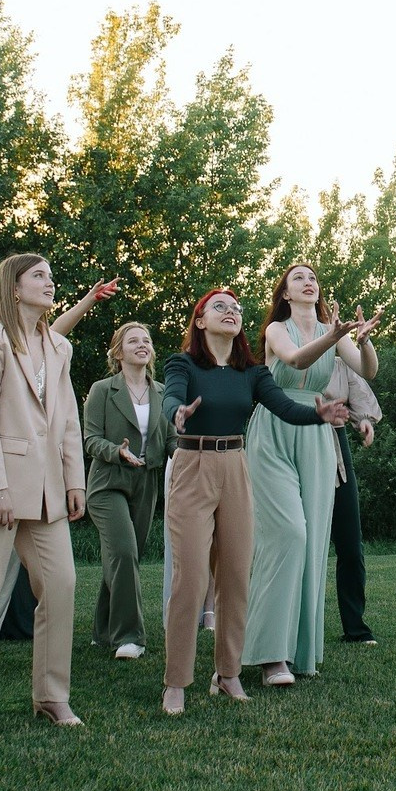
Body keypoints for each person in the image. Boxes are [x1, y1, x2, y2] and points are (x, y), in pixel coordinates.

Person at [159, 288, 348, 716]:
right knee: (191, 581)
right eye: (219, 307)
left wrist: (318, 415)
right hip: (193, 467)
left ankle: (227, 675)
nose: (231, 312)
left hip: (237, 468)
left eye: (236, 308)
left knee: (236, 576)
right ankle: (176, 683)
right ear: (201, 320)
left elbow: (284, 406)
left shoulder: (252, 372)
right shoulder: (183, 364)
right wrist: (176, 412)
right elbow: (171, 396)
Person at [0, 277, 113, 679]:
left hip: (26, 459)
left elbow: (54, 334)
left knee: (11, 559)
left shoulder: (32, 343)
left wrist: (85, 301)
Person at [0, 254, 89, 738]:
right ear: (13, 287)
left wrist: (75, 480)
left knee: (62, 585)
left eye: (52, 277)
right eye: (39, 276)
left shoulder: (60, 346)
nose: (50, 283)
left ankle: (52, 696)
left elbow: (68, 417)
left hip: (50, 489)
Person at [244, 265, 379, 686]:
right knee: (289, 533)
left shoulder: (331, 330)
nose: (308, 282)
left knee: (314, 541)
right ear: (285, 292)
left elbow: (368, 371)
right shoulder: (276, 331)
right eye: (298, 277)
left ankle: (299, 654)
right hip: (276, 429)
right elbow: (296, 359)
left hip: (319, 437)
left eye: (313, 278)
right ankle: (270, 656)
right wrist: (335, 337)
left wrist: (362, 339)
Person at [83, 321, 169, 658]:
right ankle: (129, 637)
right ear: (118, 352)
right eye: (133, 341)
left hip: (146, 482)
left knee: (124, 557)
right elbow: (90, 439)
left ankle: (102, 629)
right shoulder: (103, 389)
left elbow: (172, 440)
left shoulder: (163, 392)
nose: (142, 344)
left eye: (146, 340)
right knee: (123, 552)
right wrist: (116, 451)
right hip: (108, 482)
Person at [323, 353, 383, 646]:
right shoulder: (285, 350)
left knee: (350, 540)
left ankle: (355, 627)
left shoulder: (337, 362)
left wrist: (364, 421)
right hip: (295, 441)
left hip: (335, 444)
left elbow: (360, 394)